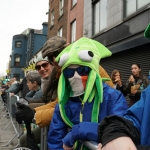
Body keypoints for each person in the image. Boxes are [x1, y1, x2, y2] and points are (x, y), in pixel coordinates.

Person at [47, 37, 128, 150]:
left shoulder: (112, 97)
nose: (75, 77)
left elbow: (118, 130)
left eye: (82, 71)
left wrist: (79, 131)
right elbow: (55, 141)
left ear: (93, 71)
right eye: (69, 72)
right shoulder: (63, 104)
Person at [96, 23, 150, 150]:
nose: (133, 70)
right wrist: (116, 135)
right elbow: (126, 94)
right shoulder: (131, 80)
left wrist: (134, 89)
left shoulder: (144, 79)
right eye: (131, 68)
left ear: (140, 69)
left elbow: (140, 92)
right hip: (134, 106)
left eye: (135, 68)